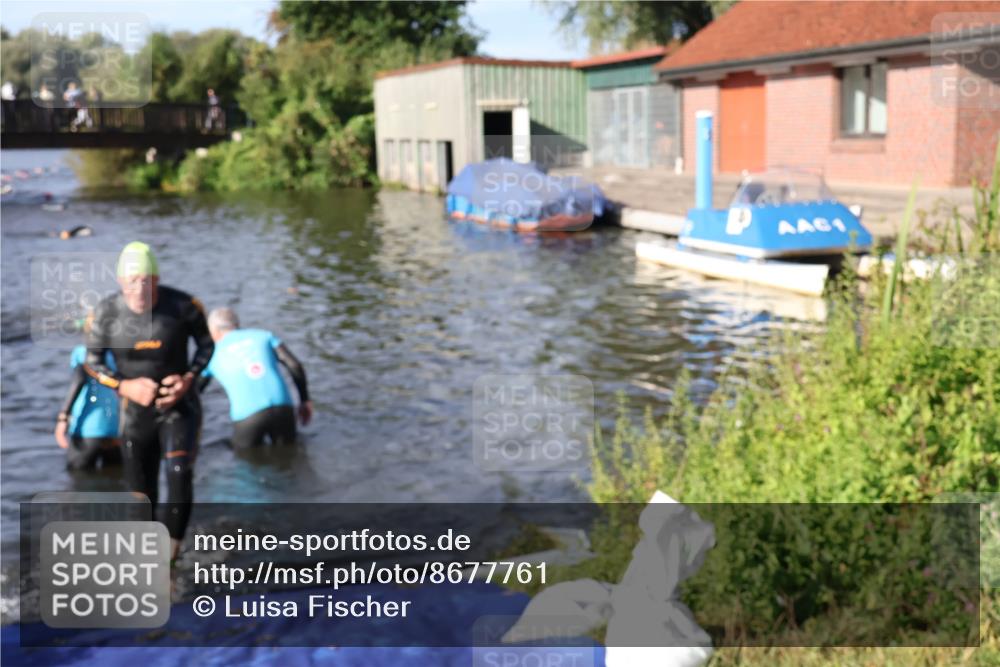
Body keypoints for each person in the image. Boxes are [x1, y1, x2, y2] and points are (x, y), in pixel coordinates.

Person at [85, 242, 214, 561]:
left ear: (156, 280)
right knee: (142, 494)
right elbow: (91, 363)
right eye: (132, 281)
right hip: (135, 410)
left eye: (146, 280)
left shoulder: (183, 305)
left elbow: (207, 347)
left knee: (179, 470)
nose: (139, 288)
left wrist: (188, 379)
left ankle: (170, 557)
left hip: (178, 406)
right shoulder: (105, 312)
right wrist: (123, 385)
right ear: (121, 282)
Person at [201, 307, 312, 449]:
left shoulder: (211, 354)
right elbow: (294, 365)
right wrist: (304, 400)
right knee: (289, 457)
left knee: (246, 463)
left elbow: (196, 389)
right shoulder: (264, 336)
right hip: (283, 406)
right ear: (237, 324)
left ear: (213, 331)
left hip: (248, 416)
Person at [55, 316, 121, 470]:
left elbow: (78, 382)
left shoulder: (82, 353)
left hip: (87, 427)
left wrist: (63, 417)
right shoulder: (120, 355)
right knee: (115, 482)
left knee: (78, 482)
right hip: (115, 427)